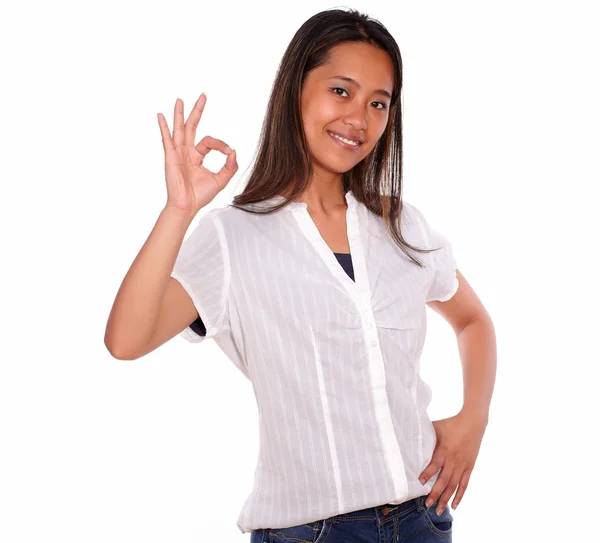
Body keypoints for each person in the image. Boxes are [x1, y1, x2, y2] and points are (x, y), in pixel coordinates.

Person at [104, 7, 496, 542]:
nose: (360, 118)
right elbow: (126, 340)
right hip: (308, 532)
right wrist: (178, 212)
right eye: (342, 91)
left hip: (423, 521)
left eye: (378, 103)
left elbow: (473, 319)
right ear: (296, 90)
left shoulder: (398, 223)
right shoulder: (233, 237)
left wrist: (474, 418)